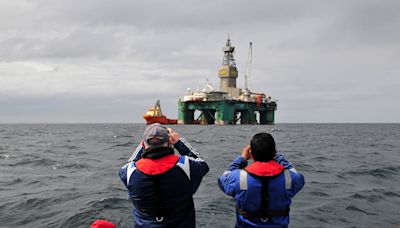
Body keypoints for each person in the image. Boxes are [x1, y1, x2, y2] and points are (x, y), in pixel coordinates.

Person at [119, 123, 209, 228]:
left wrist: (143, 144)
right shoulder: (185, 166)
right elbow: (202, 163)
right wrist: (179, 141)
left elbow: (129, 163)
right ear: (170, 142)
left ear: (144, 144)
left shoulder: (130, 171)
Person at [218, 133, 305, 227]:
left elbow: (223, 179)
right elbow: (298, 177)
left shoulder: (239, 177)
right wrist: (278, 158)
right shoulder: (289, 178)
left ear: (251, 154)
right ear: (274, 152)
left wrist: (242, 158)